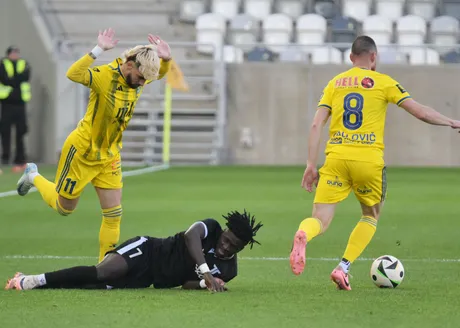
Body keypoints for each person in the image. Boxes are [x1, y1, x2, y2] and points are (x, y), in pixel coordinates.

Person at [289, 36, 460, 290]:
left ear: (351, 58)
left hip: (336, 159)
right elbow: (420, 111)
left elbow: (316, 124)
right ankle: (343, 267)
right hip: (368, 161)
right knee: (370, 215)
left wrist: (310, 165)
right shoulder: (383, 82)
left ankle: (304, 234)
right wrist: (451, 121)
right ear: (373, 57)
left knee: (320, 219)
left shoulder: (335, 83)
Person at [15, 28, 172, 262]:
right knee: (64, 208)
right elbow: (73, 74)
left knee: (114, 214)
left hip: (109, 155)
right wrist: (98, 50)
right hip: (82, 152)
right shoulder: (104, 76)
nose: (142, 84)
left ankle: (104, 270)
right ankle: (32, 175)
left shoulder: (138, 78)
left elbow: (156, 75)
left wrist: (166, 61)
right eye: (140, 78)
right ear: (129, 65)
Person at [5, 210, 263, 292]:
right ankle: (31, 280)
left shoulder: (229, 270)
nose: (225, 245)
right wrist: (206, 271)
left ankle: (33, 282)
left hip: (151, 279)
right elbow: (190, 235)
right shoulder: (212, 228)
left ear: (240, 249)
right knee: (102, 272)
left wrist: (209, 284)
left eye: (232, 246)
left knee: (96, 287)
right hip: (147, 250)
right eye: (227, 239)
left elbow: (186, 284)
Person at [0, 46, 31, 172]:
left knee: (21, 131)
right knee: (5, 131)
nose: (15, 55)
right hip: (7, 103)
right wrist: (15, 80)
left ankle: (20, 158)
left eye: (16, 52)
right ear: (8, 54)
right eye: (12, 53)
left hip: (20, 103)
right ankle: (5, 157)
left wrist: (13, 80)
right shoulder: (3, 63)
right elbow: (4, 79)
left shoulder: (24, 63)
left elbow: (25, 77)